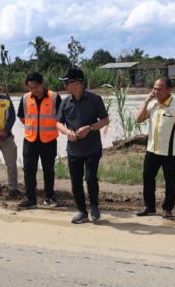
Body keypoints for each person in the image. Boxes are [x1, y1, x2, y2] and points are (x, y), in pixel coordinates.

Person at [56, 68, 110, 224]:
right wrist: (67, 132)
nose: (65, 86)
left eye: (67, 82)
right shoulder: (65, 102)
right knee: (75, 181)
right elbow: (58, 123)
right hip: (73, 150)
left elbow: (105, 120)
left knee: (90, 178)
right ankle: (81, 211)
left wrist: (90, 128)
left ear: (78, 83)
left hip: (92, 148)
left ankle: (94, 206)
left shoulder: (95, 99)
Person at [135, 77, 175, 219]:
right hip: (152, 150)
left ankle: (168, 209)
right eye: (154, 88)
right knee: (148, 177)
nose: (156, 91)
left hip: (170, 152)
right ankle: (149, 206)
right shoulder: (152, 104)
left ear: (169, 90)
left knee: (170, 180)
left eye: (159, 89)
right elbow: (138, 119)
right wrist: (146, 100)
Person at [17, 72, 62, 209]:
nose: (33, 90)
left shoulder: (54, 97)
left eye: (36, 87)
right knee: (29, 170)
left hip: (49, 140)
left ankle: (49, 197)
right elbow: (22, 116)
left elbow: (61, 117)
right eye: (30, 88)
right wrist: (32, 128)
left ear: (42, 84)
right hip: (30, 140)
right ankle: (30, 199)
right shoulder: (25, 98)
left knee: (48, 170)